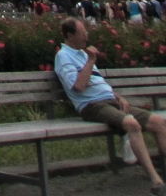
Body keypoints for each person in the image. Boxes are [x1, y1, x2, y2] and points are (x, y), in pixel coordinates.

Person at [54, 17, 166, 192]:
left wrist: (118, 96)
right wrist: (91, 61)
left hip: (110, 101)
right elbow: (78, 87)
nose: (86, 35)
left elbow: (98, 82)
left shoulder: (83, 54)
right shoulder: (63, 56)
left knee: (159, 122)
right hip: (91, 106)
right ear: (69, 35)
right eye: (82, 32)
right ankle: (156, 181)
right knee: (131, 123)